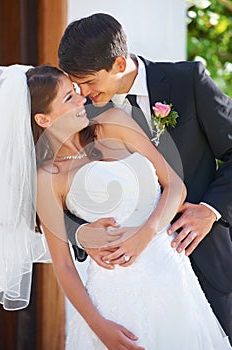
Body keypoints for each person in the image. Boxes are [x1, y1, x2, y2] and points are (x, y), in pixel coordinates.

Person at [0, 64, 231, 349]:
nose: (82, 100)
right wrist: (99, 327)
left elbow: (175, 186)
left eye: (76, 92)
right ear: (43, 119)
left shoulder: (114, 121)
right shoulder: (47, 178)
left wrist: (144, 235)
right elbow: (63, 264)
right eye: (68, 98)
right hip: (113, 295)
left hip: (172, 277)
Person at [58, 12, 232, 342]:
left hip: (202, 259)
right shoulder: (83, 112)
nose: (82, 92)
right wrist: (80, 233)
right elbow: (59, 185)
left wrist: (210, 209)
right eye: (75, 83)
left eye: (90, 81)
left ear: (119, 64)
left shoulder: (188, 81)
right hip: (125, 284)